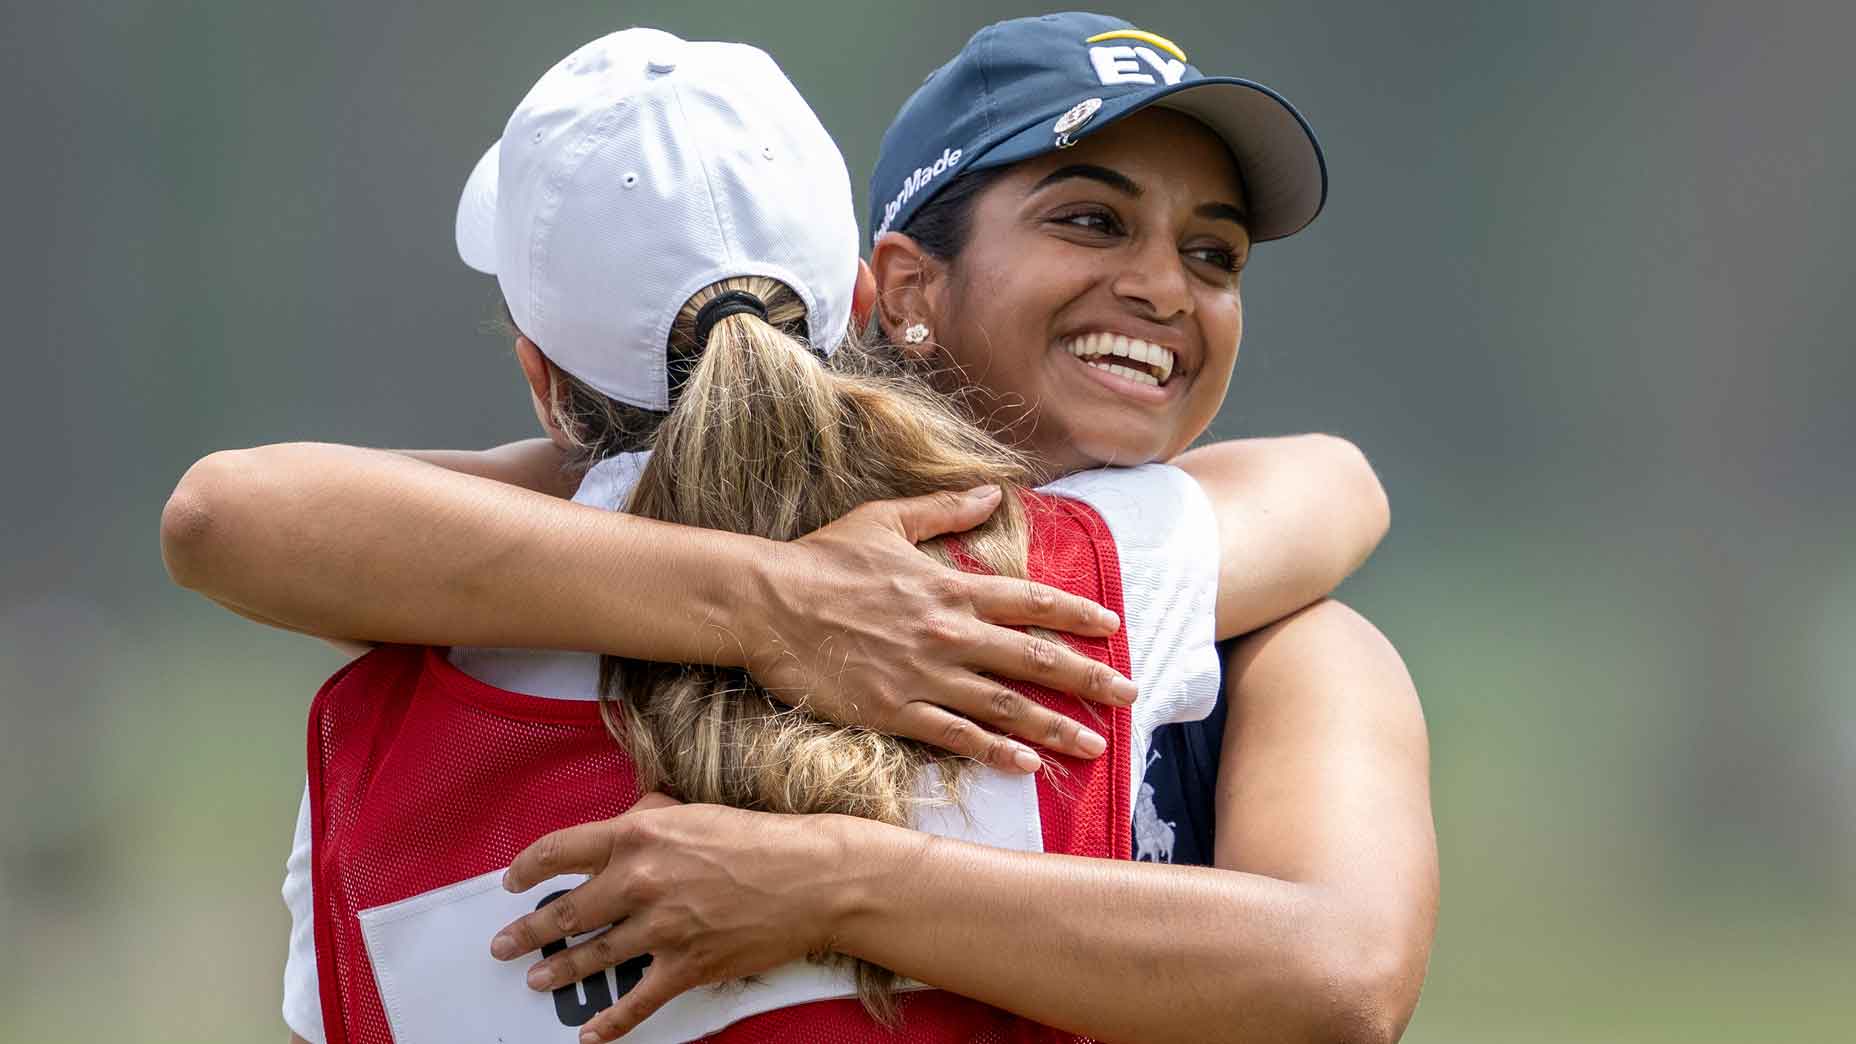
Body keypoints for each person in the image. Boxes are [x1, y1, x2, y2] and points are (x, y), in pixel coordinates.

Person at [163, 14, 1434, 1044]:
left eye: (1214, 254)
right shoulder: (1114, 573)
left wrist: (827, 879)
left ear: (542, 372)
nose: (1164, 284)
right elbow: (1336, 483)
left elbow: (241, 513)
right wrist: (781, 603)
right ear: (887, 292)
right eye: (1088, 220)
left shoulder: (408, 690)